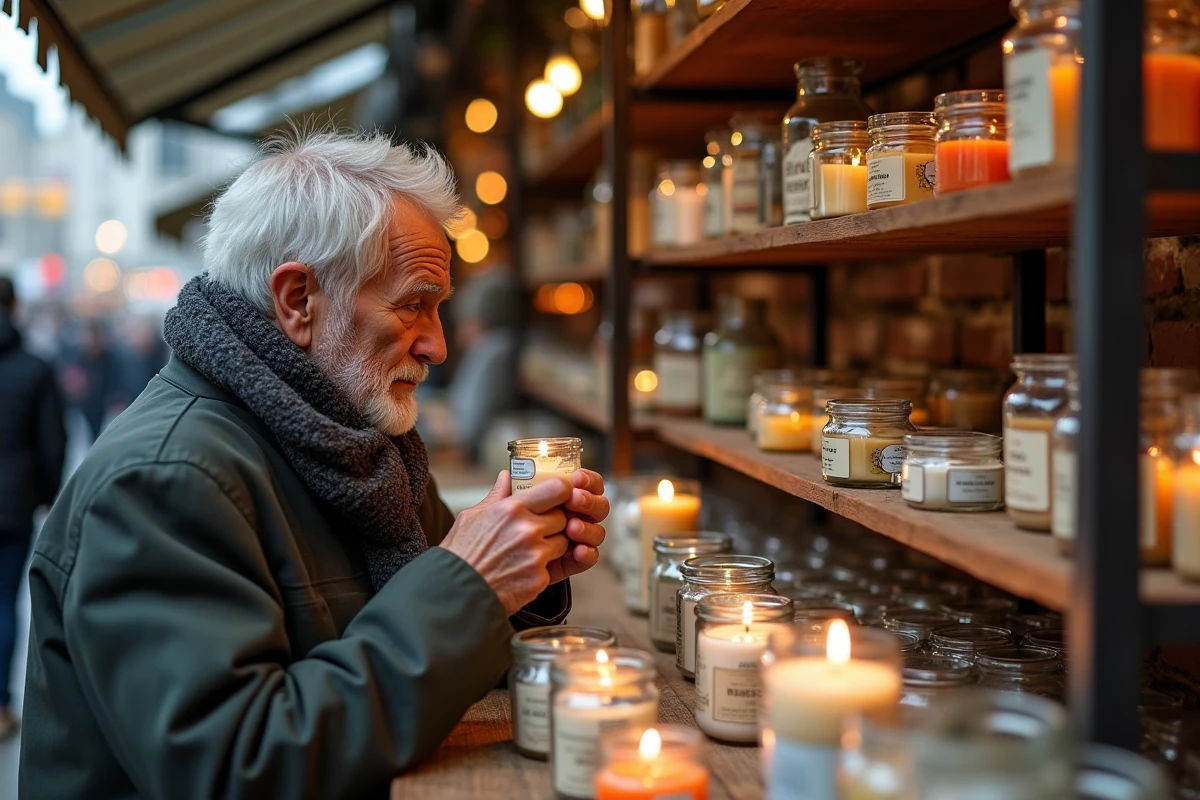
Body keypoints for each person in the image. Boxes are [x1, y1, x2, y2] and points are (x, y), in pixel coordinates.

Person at [20, 131, 609, 799]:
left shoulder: (356, 442)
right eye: (414, 304)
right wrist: (472, 585)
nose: (438, 345)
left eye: (439, 308)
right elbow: (236, 768)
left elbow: (433, 627)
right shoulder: (162, 480)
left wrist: (522, 579)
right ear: (299, 300)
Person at [0, 276, 66, 741]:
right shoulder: (35, 368)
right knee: (4, 601)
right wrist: (48, 495)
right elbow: (52, 441)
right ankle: (1, 706)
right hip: (12, 505)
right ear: (15, 306)